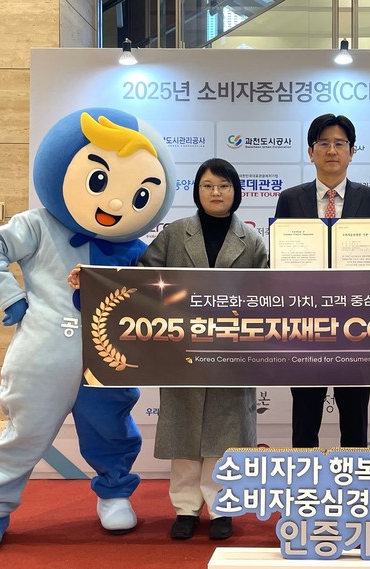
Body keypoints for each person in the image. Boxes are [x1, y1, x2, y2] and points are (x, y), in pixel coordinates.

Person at [0, 108, 176, 554]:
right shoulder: (37, 225)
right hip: (44, 354)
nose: (115, 204)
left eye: (138, 194)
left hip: (108, 360)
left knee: (111, 429)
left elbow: (156, 296)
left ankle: (114, 494)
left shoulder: (136, 250)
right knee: (25, 432)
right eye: (99, 181)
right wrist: (12, 299)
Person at [138, 158, 267, 540]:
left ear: (236, 192)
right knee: (185, 435)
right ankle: (186, 509)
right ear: (197, 190)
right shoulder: (175, 234)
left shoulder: (252, 240)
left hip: (232, 353)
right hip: (183, 349)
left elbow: (269, 292)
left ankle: (222, 509)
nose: (216, 192)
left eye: (224, 186)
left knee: (224, 438)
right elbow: (143, 277)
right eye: (208, 185)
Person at [273, 113, 370, 448]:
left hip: (356, 327)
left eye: (340, 143)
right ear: (311, 152)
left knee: (355, 421)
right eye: (323, 144)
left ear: (352, 151)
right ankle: (303, 479)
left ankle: (354, 479)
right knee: (305, 421)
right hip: (306, 326)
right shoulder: (290, 200)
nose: (332, 151)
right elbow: (280, 265)